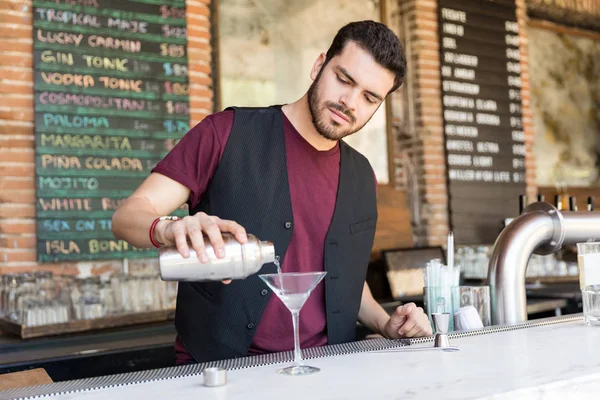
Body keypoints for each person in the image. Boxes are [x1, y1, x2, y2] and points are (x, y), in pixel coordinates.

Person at [112, 20, 432, 365]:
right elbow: (127, 217)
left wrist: (387, 324)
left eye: (369, 97)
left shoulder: (361, 176)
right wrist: (168, 228)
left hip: (324, 371)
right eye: (344, 79)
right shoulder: (225, 133)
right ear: (318, 65)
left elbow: (346, 282)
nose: (349, 102)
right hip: (218, 372)